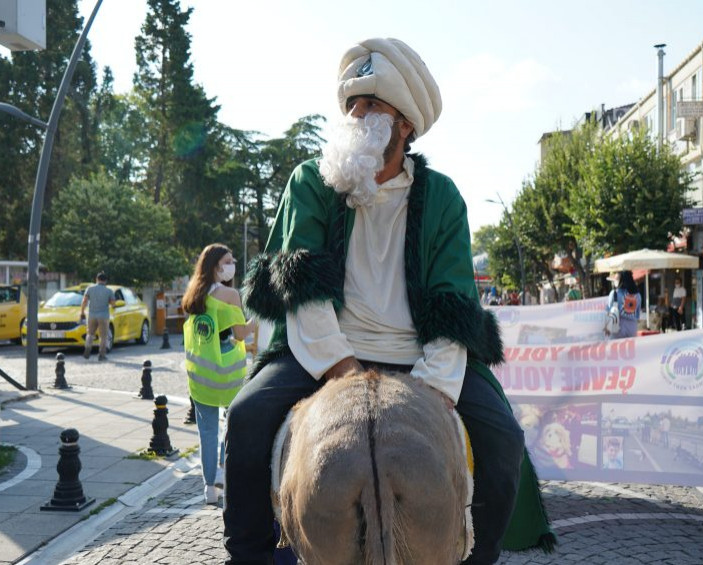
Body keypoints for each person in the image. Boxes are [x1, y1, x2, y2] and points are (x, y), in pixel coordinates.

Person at [224, 38, 551, 564]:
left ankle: (480, 557)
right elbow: (302, 290)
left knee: (504, 439)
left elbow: (452, 304)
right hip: (323, 352)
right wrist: (340, 366)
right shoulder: (310, 181)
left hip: (420, 356)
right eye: (351, 103)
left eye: (371, 103)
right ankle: (249, 556)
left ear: (404, 125)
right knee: (245, 416)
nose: (356, 113)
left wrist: (432, 386)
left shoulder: (442, 197)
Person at [182, 244, 256, 504]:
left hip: (200, 374)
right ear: (215, 266)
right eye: (228, 261)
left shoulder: (193, 294)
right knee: (230, 425)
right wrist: (259, 317)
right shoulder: (230, 294)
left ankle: (209, 489)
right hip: (226, 373)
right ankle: (224, 476)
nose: (232, 265)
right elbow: (240, 334)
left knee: (206, 433)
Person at [79, 271, 115, 361]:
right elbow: (113, 304)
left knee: (90, 334)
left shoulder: (90, 289)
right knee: (103, 336)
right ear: (105, 281)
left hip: (92, 315)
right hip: (104, 316)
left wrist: (82, 312)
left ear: (96, 279)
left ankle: (87, 350)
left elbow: (84, 301)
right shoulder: (109, 291)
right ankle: (101, 355)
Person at [605, 270, 641, 339]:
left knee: (617, 345)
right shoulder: (637, 295)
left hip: (617, 325)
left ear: (621, 281)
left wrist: (607, 326)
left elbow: (609, 311)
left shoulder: (614, 293)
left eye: (616, 279)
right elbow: (638, 314)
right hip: (632, 326)